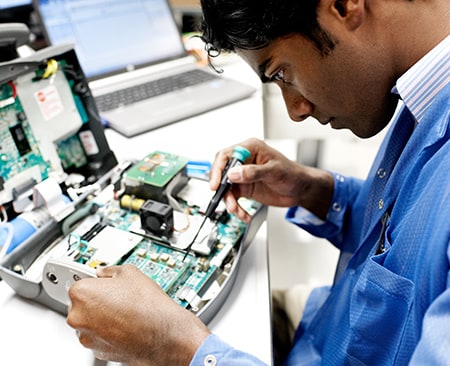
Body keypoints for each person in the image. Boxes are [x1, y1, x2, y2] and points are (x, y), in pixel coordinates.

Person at [66, 0, 450, 365]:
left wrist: (174, 347)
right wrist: (313, 190)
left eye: (282, 73)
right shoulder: (421, 92)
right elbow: (404, 234)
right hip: (318, 333)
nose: (295, 111)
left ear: (344, 5)